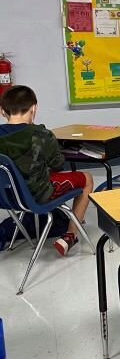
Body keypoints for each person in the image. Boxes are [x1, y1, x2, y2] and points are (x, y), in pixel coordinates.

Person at [0, 85, 93, 256]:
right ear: (34, 108)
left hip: (6, 198)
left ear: (2, 111)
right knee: (87, 178)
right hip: (36, 196)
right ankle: (70, 236)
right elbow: (58, 164)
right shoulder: (42, 134)